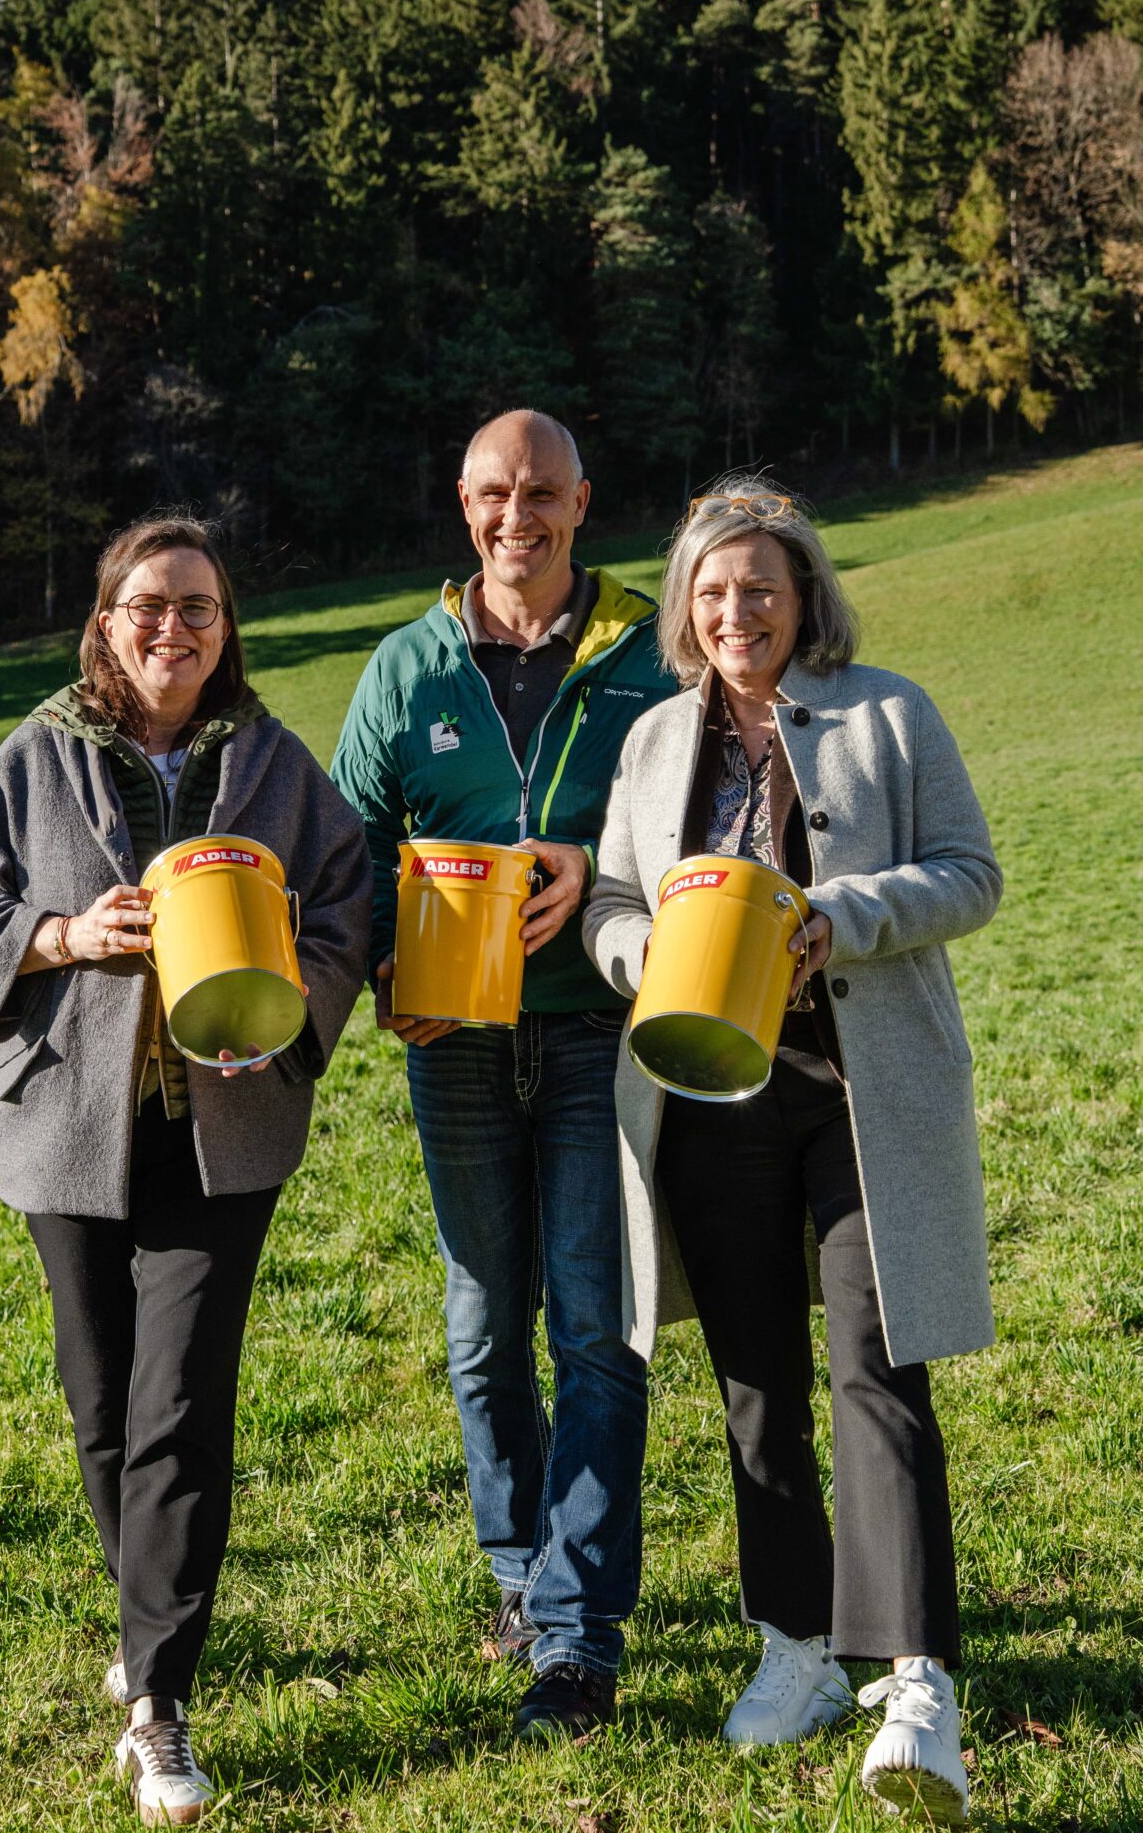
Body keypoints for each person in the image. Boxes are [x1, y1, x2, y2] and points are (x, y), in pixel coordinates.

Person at [0, 515, 371, 1829]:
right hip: (67, 1128)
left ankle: (159, 1702)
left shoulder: (281, 767)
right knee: (103, 1403)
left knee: (181, 1405)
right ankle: (148, 1619)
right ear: (106, 623)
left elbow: (349, 906)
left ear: (227, 631)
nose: (174, 629)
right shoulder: (35, 756)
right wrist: (61, 934)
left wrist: (289, 1013)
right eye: (149, 606)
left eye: (200, 609)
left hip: (219, 1136)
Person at [583, 478, 1002, 1826]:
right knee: (754, 1377)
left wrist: (845, 914)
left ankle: (918, 1677)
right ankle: (797, 1644)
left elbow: (969, 871)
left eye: (759, 587)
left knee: (880, 1363)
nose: (735, 611)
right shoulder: (654, 744)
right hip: (706, 1089)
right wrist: (640, 950)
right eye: (711, 591)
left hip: (856, 1089)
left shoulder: (890, 711)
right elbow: (603, 898)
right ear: (685, 610)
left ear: (803, 595)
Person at [330, 409, 675, 1739]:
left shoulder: (652, 649)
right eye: (491, 492)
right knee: (484, 1325)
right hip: (455, 1038)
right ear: (461, 504)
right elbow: (352, 835)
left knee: (595, 1325)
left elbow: (708, 809)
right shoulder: (405, 667)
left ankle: (579, 1642)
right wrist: (378, 971)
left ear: (584, 501)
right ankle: (519, 1572)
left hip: (601, 1022)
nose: (514, 514)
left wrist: (606, 868)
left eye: (540, 491)